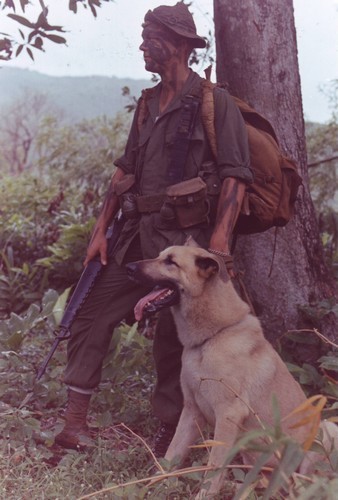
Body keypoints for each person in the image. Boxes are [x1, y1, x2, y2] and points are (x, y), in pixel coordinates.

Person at [54, 2, 253, 455]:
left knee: (172, 337)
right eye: (143, 37)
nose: (144, 45)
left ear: (181, 45)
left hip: (186, 245)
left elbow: (236, 176)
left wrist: (219, 242)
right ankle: (73, 425)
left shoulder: (213, 102)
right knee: (91, 311)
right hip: (135, 239)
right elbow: (124, 172)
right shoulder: (146, 104)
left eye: (152, 37)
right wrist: (99, 230)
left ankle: (170, 432)